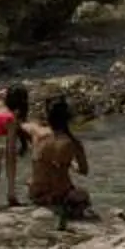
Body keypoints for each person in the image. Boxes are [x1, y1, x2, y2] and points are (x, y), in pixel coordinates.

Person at [27, 96, 88, 226]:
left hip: (35, 193)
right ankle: (65, 212)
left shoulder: (39, 137)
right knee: (83, 196)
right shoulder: (73, 143)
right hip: (57, 195)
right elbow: (84, 170)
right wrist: (71, 164)